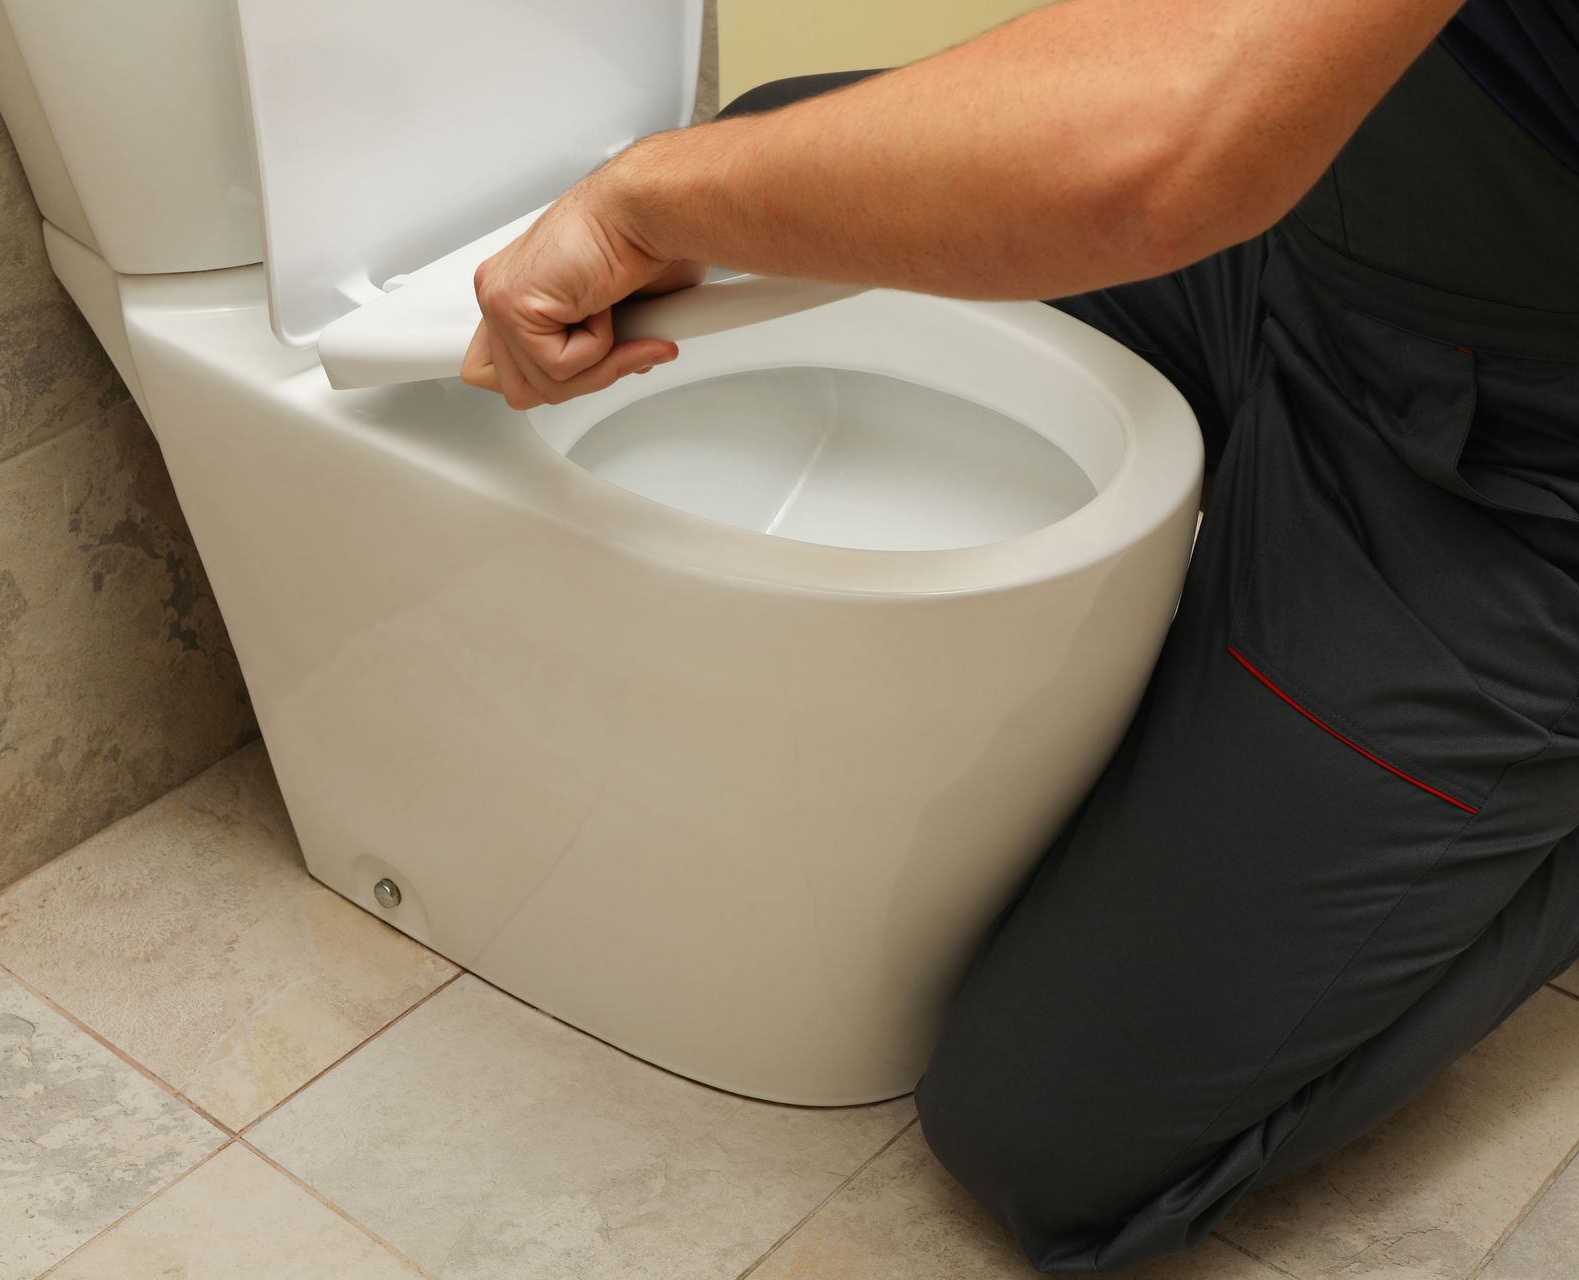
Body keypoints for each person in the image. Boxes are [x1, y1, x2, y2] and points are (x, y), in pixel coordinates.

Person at [463, 0, 1579, 1272]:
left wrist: (636, 204)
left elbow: (1163, 147)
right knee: (767, 176)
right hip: (1323, 189)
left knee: (1040, 1132)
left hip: (1526, 444)